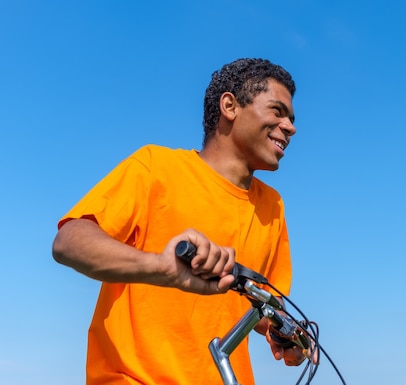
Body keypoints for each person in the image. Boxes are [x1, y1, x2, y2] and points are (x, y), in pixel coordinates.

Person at [52, 58, 304, 385]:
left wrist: (287, 336)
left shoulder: (273, 206)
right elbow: (69, 241)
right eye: (277, 111)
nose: (291, 127)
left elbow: (267, 307)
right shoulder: (156, 167)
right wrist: (160, 268)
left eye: (292, 119)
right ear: (230, 106)